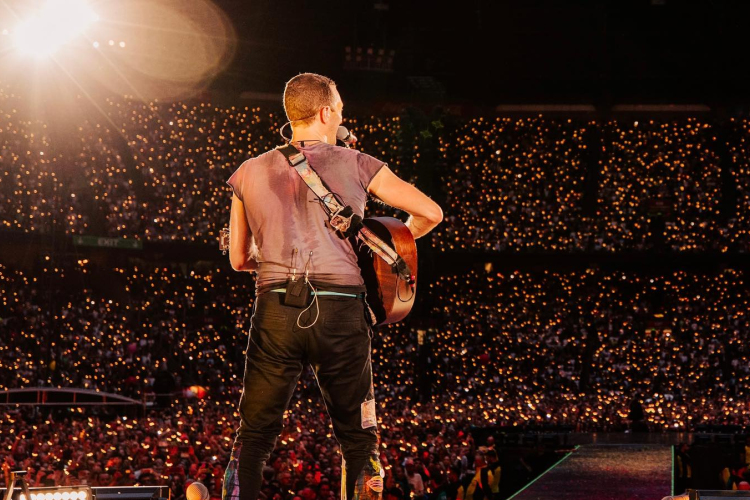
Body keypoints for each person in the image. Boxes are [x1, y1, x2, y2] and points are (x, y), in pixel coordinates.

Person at [222, 72, 443, 500]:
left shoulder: (247, 172)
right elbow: (430, 213)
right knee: (359, 440)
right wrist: (388, 249)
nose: (342, 115)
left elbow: (238, 259)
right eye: (340, 108)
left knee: (253, 438)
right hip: (341, 308)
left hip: (275, 308)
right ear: (325, 113)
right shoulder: (358, 162)